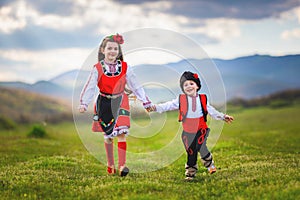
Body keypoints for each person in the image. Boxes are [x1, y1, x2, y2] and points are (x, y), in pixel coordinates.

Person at [79, 33, 152, 176]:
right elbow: (90, 87)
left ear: (119, 52)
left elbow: (135, 85)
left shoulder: (125, 67)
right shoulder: (97, 68)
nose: (112, 51)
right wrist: (84, 103)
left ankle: (122, 165)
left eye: (115, 49)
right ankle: (110, 163)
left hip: (121, 101)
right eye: (110, 48)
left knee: (122, 133)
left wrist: (145, 101)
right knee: (108, 136)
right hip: (104, 102)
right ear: (102, 50)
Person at [151, 71, 234, 180]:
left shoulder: (203, 99)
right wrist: (155, 107)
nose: (189, 86)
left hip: (201, 128)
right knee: (191, 151)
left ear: (197, 86)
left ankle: (210, 165)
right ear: (182, 88)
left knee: (200, 146)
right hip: (188, 131)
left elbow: (211, 111)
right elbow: (168, 105)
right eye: (185, 85)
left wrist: (223, 116)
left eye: (191, 83)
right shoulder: (181, 100)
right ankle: (190, 172)